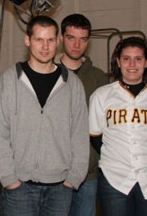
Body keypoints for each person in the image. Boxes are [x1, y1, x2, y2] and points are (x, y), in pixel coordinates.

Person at [0, 15, 89, 215]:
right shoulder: (10, 80)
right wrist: (10, 179)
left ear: (58, 41)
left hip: (60, 189)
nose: (45, 47)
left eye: (50, 40)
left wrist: (73, 179)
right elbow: (0, 134)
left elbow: (80, 135)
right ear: (28, 40)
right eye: (39, 39)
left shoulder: (72, 84)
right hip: (19, 189)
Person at [89, 37, 147, 216]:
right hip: (115, 178)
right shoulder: (101, 95)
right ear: (118, 61)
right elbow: (96, 138)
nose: (132, 64)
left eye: (138, 58)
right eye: (126, 58)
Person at [58, 13, 109, 216]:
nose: (77, 45)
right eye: (71, 38)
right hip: (54, 172)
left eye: (83, 39)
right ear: (61, 38)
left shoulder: (99, 78)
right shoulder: (46, 72)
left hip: (88, 174)